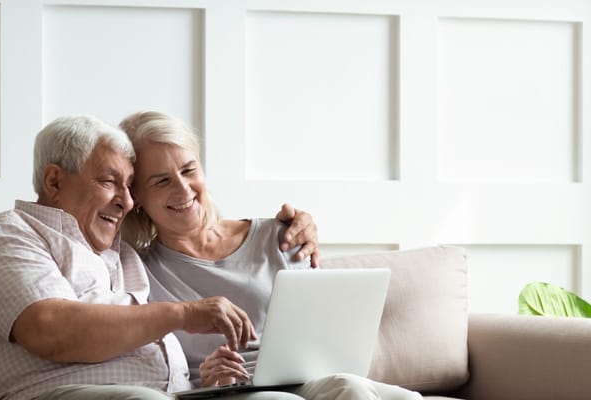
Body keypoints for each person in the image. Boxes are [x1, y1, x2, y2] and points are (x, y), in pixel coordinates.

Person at [0, 115, 315, 400]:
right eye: (110, 181)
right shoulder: (12, 234)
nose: (126, 201)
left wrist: (211, 383)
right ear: (54, 182)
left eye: (128, 186)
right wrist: (184, 313)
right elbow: (50, 329)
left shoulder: (121, 256)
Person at [119, 111, 422, 400]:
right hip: (229, 391)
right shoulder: (138, 271)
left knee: (366, 390)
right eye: (161, 180)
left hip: (314, 380)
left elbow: (321, 327)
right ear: (137, 197)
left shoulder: (279, 236)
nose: (184, 189)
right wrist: (204, 379)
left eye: (188, 170)